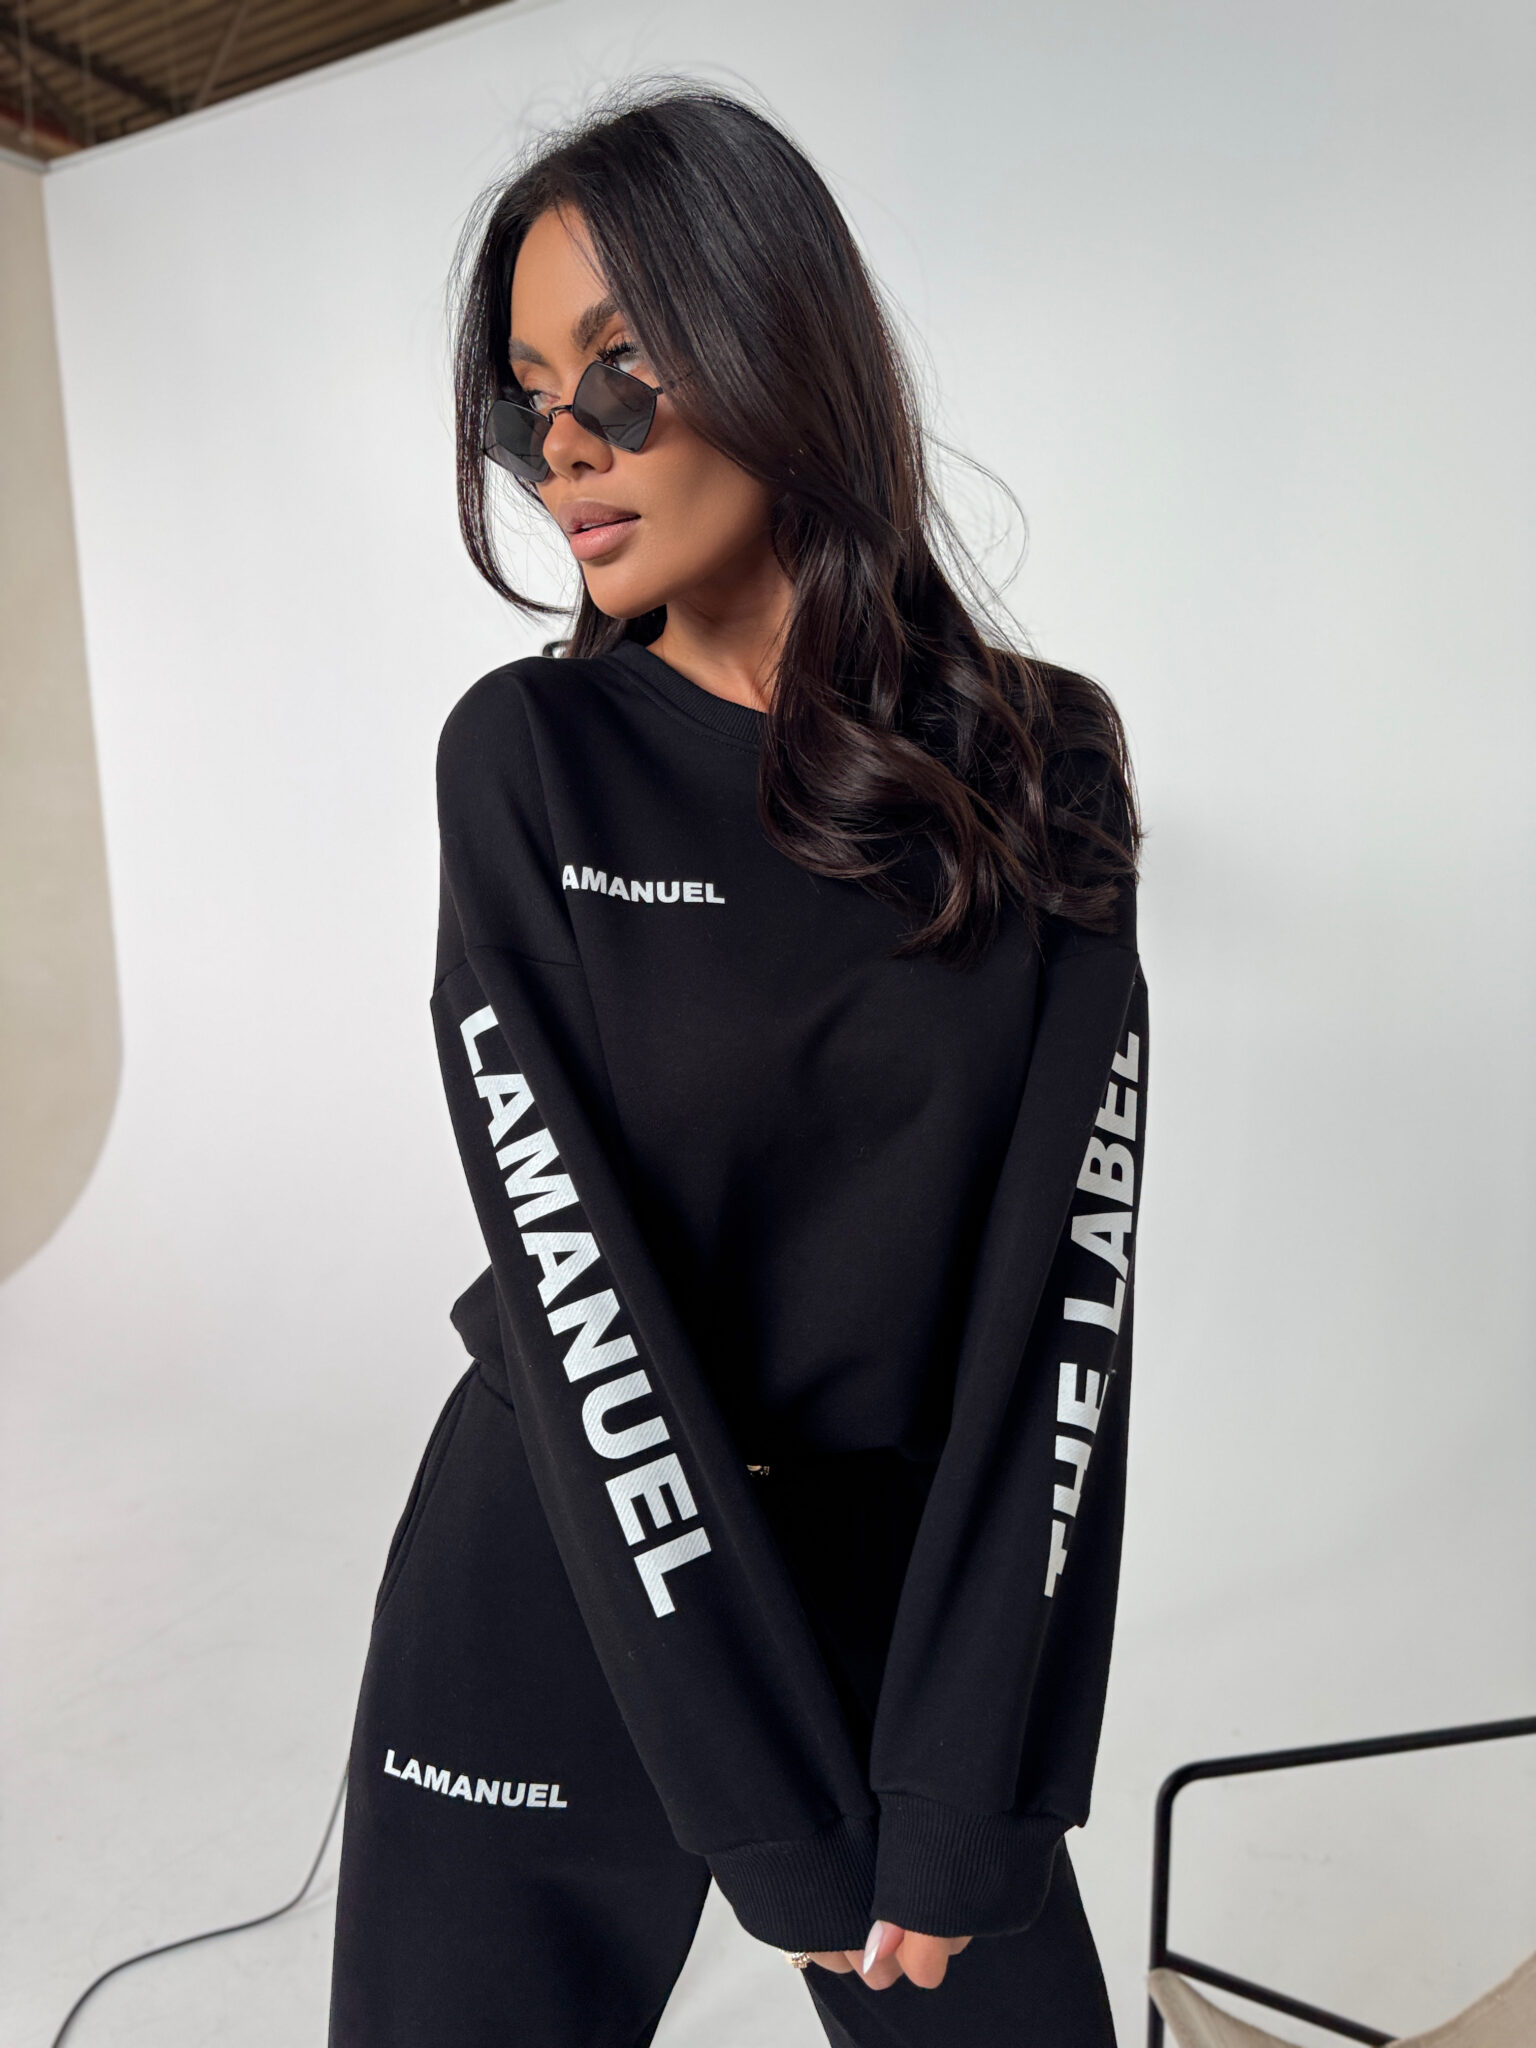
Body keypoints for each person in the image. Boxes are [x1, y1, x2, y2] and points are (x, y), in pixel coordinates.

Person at [328, 84, 1146, 2048]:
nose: (563, 446)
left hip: (898, 1608)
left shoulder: (1042, 762)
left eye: (620, 369)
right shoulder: (528, 763)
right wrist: (775, 1812)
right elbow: (577, 1284)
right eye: (526, 398)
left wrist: (962, 1790)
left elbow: (1070, 1297)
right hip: (560, 1568)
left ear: (779, 347)